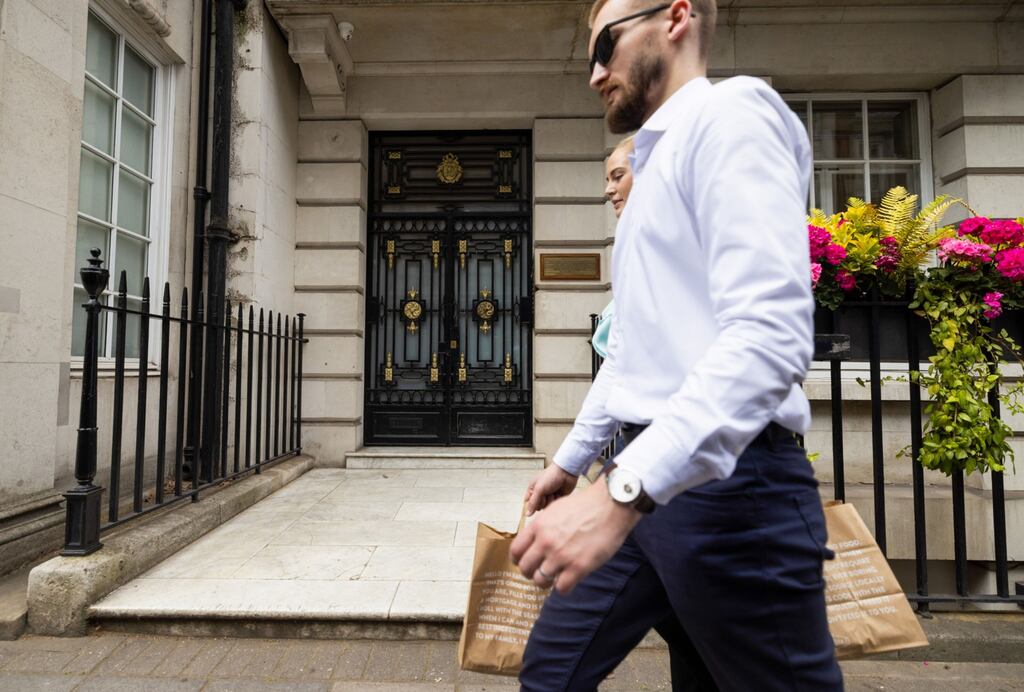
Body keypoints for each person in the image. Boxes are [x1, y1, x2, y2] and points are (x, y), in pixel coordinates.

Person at [512, 1, 843, 690]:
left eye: (606, 44)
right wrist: (573, 462)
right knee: (549, 672)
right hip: (646, 480)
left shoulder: (732, 116)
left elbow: (771, 336)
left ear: (677, 16)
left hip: (731, 497)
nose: (595, 73)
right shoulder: (650, 171)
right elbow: (633, 346)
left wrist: (620, 495)